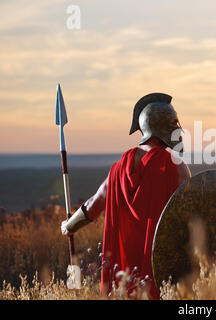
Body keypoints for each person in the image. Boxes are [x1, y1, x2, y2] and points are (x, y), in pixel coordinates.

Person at [61, 93, 191, 298]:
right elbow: (190, 217)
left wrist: (70, 225)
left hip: (122, 276)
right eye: (173, 123)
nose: (178, 129)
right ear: (159, 127)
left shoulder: (117, 169)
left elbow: (95, 203)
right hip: (158, 275)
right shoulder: (175, 168)